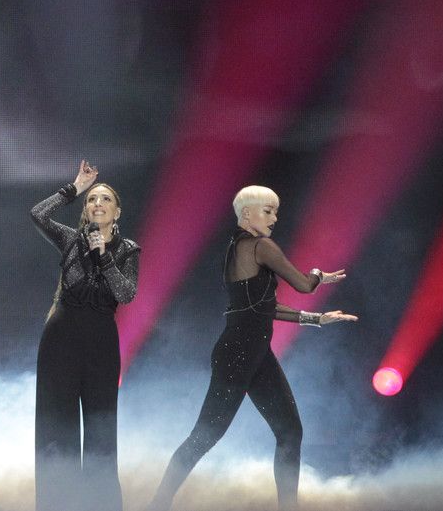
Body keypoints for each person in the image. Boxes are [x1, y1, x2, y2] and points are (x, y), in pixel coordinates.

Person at [146, 185, 357, 511]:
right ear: (247, 214)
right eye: (268, 211)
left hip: (254, 354)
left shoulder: (236, 249)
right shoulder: (261, 246)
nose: (274, 218)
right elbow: (303, 285)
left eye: (275, 212)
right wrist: (318, 275)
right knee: (205, 436)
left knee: (290, 432)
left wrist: (317, 319)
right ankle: (157, 505)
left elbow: (260, 308)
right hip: (238, 354)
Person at [30, 160, 141, 511]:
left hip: (101, 345)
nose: (97, 203)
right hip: (60, 340)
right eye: (92, 199)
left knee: (100, 431)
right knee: (57, 429)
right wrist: (74, 188)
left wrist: (104, 257)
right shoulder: (70, 240)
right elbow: (38, 215)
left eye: (105, 199)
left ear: (117, 211)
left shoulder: (128, 250)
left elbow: (126, 294)